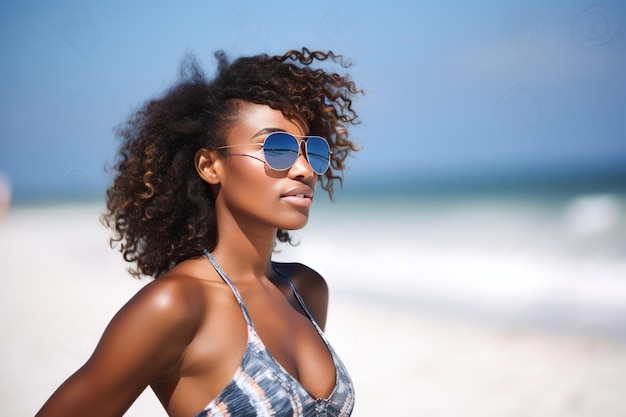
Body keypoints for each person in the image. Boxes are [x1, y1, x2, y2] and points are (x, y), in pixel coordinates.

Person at [35, 48, 362, 417]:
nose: (304, 169)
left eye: (312, 150)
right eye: (278, 148)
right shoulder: (174, 306)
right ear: (210, 165)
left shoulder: (306, 290)